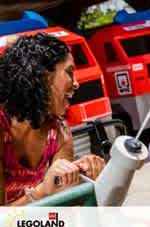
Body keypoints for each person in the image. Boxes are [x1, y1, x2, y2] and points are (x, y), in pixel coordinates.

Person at [0, 33, 105, 206]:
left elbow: (62, 205)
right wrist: (41, 192)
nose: (77, 83)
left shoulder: (59, 134)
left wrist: (80, 178)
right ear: (44, 77)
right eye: (70, 72)